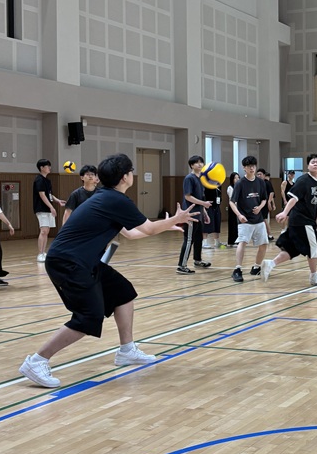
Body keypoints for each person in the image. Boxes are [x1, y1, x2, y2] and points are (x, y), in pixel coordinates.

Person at [19, 153, 197, 388]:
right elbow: (149, 229)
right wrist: (175, 219)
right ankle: (37, 360)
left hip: (84, 261)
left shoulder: (107, 198)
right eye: (131, 171)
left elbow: (131, 233)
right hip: (68, 262)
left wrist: (164, 225)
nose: (132, 174)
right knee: (88, 318)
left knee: (123, 292)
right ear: (124, 177)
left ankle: (127, 350)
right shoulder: (115, 200)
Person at [262, 154, 317, 287]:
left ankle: (270, 264)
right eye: (312, 162)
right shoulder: (303, 181)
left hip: (304, 221)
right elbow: (294, 198)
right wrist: (285, 212)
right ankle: (314, 276)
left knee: (293, 249)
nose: (315, 164)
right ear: (308, 166)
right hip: (302, 220)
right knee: (314, 248)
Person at [229, 156, 269, 282]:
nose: (252, 168)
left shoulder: (260, 182)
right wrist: (239, 215)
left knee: (264, 244)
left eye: (253, 166)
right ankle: (237, 269)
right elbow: (232, 202)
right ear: (244, 168)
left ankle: (256, 267)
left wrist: (260, 207)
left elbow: (264, 199)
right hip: (245, 220)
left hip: (259, 219)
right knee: (242, 242)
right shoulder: (240, 183)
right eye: (249, 166)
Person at [176, 155, 211, 273]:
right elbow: (188, 196)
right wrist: (203, 204)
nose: (200, 164)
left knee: (198, 238)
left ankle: (198, 260)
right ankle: (181, 265)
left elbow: (201, 198)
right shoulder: (189, 178)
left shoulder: (201, 178)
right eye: (197, 162)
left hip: (199, 213)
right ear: (191, 165)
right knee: (189, 239)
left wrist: (204, 212)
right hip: (190, 214)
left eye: (201, 162)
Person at [34, 159, 65, 262]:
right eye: (47, 166)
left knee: (46, 231)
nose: (49, 168)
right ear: (42, 168)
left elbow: (49, 195)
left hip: (48, 209)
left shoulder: (47, 180)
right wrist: (51, 207)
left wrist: (57, 201)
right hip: (41, 208)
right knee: (43, 231)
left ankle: (43, 252)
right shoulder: (39, 180)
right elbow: (42, 195)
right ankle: (40, 253)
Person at [257, 168, 277, 240]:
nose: (259, 175)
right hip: (258, 203)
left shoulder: (267, 182)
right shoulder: (257, 183)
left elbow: (271, 193)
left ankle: (269, 235)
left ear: (264, 175)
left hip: (264, 204)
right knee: (261, 220)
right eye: (258, 174)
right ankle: (263, 234)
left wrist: (269, 202)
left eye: (260, 174)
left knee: (264, 219)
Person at [202, 183, 222, 250]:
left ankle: (217, 241)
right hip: (208, 205)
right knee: (207, 224)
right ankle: (204, 242)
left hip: (216, 206)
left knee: (217, 222)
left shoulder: (219, 185)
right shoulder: (206, 184)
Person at [225, 171, 241, 247]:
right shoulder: (230, 188)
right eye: (235, 178)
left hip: (239, 208)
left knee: (238, 225)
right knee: (233, 225)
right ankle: (232, 241)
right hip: (233, 208)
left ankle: (238, 240)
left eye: (238, 178)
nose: (237, 179)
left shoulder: (240, 187)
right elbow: (232, 199)